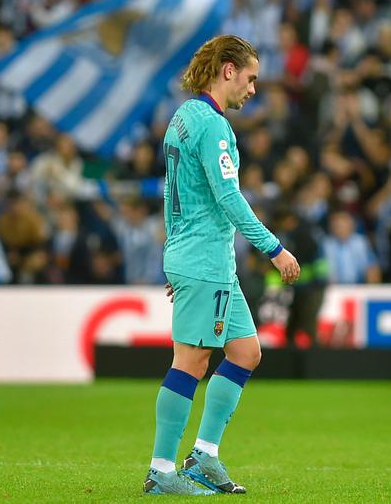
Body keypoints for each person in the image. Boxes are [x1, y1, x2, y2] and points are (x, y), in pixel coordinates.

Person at [144, 35, 300, 496]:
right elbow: (228, 196)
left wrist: (177, 259)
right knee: (191, 362)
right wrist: (274, 248)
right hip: (204, 260)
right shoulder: (214, 127)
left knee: (246, 352)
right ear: (227, 70)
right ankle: (161, 471)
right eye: (250, 78)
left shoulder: (183, 117)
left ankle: (204, 456)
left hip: (203, 260)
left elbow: (176, 195)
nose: (253, 89)